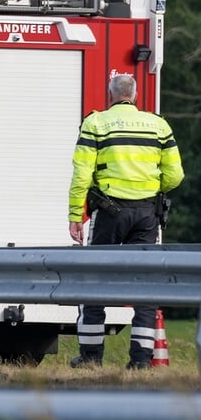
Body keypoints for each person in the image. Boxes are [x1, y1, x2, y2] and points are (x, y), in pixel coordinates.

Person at [67, 72, 184, 369]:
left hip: (109, 213)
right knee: (145, 287)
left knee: (94, 283)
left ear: (110, 95)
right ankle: (142, 361)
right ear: (134, 95)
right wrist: (149, 190)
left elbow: (81, 175)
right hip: (147, 215)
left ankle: (91, 358)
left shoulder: (95, 123)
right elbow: (175, 175)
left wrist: (74, 215)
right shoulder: (158, 125)